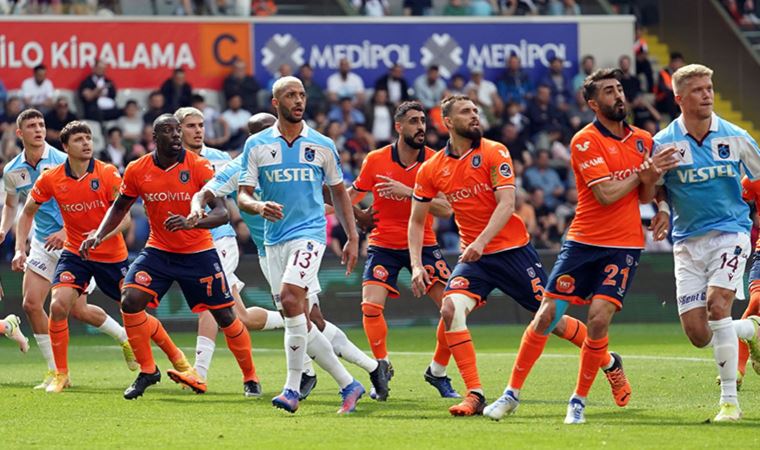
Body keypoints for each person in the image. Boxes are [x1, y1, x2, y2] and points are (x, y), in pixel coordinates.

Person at [484, 68, 678, 423]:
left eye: (620, 89)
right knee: (546, 316)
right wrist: (643, 172)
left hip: (625, 245)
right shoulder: (584, 140)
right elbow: (606, 195)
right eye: (608, 91)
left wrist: (660, 203)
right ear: (593, 103)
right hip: (583, 241)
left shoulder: (644, 141)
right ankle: (511, 394)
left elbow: (647, 192)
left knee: (599, 319)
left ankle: (578, 401)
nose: (618, 96)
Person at [408, 95, 597, 416]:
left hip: (513, 253)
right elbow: (416, 220)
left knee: (551, 321)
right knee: (450, 308)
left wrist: (480, 242)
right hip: (476, 260)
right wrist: (415, 265)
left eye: (476, 111)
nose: (474, 116)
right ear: (448, 122)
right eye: (466, 112)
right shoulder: (431, 169)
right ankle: (474, 394)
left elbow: (507, 204)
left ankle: (606, 359)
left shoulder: (495, 151)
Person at [192, 112, 388, 401]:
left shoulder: (300, 152)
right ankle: (369, 368)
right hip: (269, 250)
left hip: (303, 240)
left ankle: (309, 379)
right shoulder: (243, 164)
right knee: (304, 319)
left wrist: (358, 218)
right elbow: (211, 189)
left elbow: (325, 190)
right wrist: (200, 203)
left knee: (307, 316)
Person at [81, 114, 259, 400]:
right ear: (154, 136)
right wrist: (98, 235)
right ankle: (148, 370)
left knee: (226, 316)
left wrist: (193, 222)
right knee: (130, 300)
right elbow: (119, 207)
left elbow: (222, 213)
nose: (176, 135)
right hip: (159, 251)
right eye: (168, 131)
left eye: (178, 130)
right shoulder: (138, 169)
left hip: (198, 252)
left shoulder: (199, 166)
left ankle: (250, 376)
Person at [237, 76, 367, 414]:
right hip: (274, 239)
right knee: (298, 317)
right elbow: (243, 194)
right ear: (275, 103)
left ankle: (291, 389)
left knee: (293, 298)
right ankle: (349, 384)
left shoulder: (322, 144)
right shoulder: (257, 145)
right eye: (291, 95)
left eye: (302, 95)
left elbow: (338, 191)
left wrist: (353, 236)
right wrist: (257, 206)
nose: (298, 100)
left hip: (310, 234)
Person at [650, 64, 760, 422]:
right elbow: (657, 185)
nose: (707, 94)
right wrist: (663, 206)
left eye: (709, 87)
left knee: (717, 307)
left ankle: (730, 403)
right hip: (687, 243)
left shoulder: (736, 137)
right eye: (697, 90)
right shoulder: (664, 142)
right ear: (679, 98)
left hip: (731, 233)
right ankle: (753, 330)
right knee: (698, 334)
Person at [3, 109, 136, 390]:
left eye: (41, 124)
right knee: (30, 303)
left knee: (78, 311)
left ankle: (124, 337)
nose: (39, 130)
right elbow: (16, 207)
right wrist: (17, 246)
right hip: (41, 242)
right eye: (32, 126)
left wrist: (66, 232)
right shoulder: (13, 170)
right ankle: (56, 372)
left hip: (73, 243)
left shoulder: (66, 159)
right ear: (20, 133)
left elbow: (90, 205)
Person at [348, 101, 458, 399]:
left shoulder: (436, 161)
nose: (421, 126)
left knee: (453, 309)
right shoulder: (375, 160)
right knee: (370, 307)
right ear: (398, 127)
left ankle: (437, 371)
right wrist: (353, 219)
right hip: (383, 244)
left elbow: (446, 209)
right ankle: (381, 368)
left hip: (425, 245)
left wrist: (409, 192)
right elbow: (351, 196)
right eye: (413, 121)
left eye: (423, 121)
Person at [175, 106, 276, 390]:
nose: (198, 131)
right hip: (190, 244)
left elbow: (244, 193)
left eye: (201, 125)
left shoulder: (220, 159)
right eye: (191, 126)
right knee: (240, 317)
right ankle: (294, 320)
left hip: (219, 240)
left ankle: (199, 374)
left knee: (207, 301)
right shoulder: (173, 162)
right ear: (178, 130)